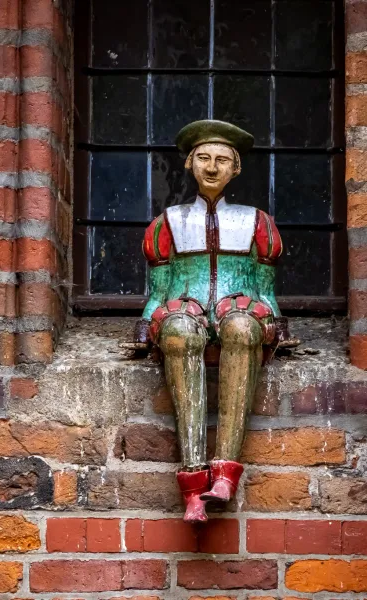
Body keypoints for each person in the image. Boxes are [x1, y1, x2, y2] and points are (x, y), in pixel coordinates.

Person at [125, 120, 293, 522]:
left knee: (241, 328)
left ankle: (225, 472)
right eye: (203, 158)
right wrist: (146, 323)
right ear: (190, 164)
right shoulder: (170, 221)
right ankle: (193, 481)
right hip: (185, 305)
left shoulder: (255, 221)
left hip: (240, 306)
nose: (212, 167)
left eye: (222, 160)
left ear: (236, 168)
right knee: (178, 332)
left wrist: (277, 320)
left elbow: (264, 286)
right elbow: (159, 287)